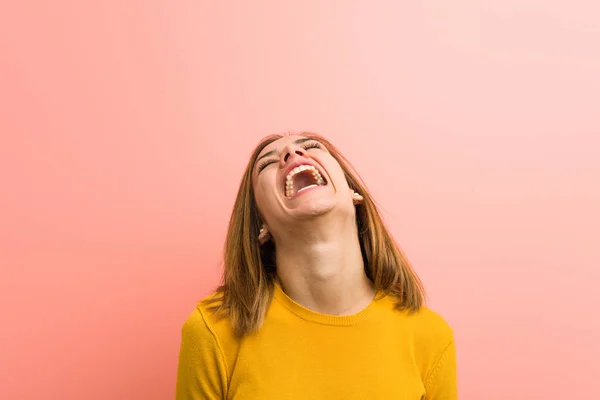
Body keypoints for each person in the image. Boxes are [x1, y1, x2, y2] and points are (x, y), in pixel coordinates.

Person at [175, 132, 457, 399]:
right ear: (260, 223)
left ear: (353, 192)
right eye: (268, 163)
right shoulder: (213, 330)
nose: (292, 152)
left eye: (311, 147)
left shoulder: (429, 336)